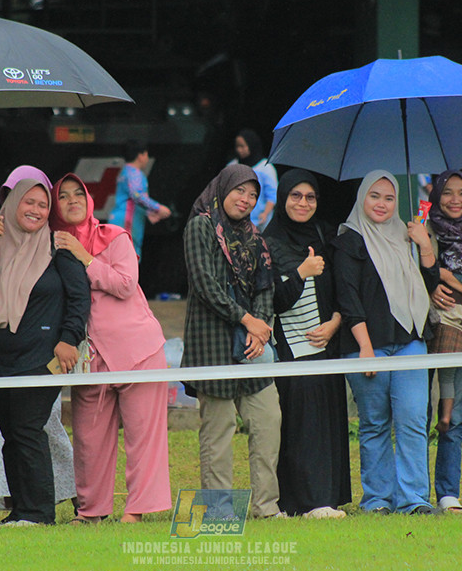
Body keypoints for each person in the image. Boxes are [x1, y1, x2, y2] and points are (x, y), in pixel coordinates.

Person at [51, 173, 172, 524]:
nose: (72, 200)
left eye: (78, 193)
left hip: (138, 350)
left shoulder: (114, 236)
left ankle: (137, 509)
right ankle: (91, 511)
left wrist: (85, 257)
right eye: (63, 196)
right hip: (89, 357)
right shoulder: (49, 246)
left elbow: (125, 284)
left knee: (143, 436)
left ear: (89, 200)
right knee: (88, 439)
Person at [0, 178, 90, 526]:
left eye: (43, 205)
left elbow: (80, 298)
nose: (36, 210)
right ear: (13, 203)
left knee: (28, 429)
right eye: (29, 202)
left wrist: (69, 338)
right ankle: (21, 509)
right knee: (11, 435)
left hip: (43, 358)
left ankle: (39, 513)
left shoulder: (57, 246)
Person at [333, 170, 437, 515]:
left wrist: (424, 244)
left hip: (410, 341)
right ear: (362, 197)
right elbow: (348, 297)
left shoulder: (406, 236)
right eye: (374, 196)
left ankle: (414, 500)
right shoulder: (349, 239)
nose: (382, 204)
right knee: (374, 423)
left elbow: (429, 284)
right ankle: (377, 499)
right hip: (368, 346)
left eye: (389, 198)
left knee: (412, 420)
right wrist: (364, 347)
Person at [182, 165, 282, 518]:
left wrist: (260, 328)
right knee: (218, 433)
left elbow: (266, 288)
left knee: (268, 422)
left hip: (251, 345)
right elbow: (205, 285)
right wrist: (248, 320)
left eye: (253, 195)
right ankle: (219, 512)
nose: (246, 199)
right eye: (240, 191)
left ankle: (266, 507)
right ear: (223, 189)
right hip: (212, 344)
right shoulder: (201, 227)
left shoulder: (256, 237)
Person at [262, 169, 350, 519]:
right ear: (283, 199)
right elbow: (272, 301)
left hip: (326, 343)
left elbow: (340, 287)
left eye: (310, 197)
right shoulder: (268, 244)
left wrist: (336, 322)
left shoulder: (322, 235)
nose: (303, 203)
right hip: (291, 351)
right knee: (300, 425)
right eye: (295, 196)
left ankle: (327, 497)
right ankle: (303, 501)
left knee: (328, 421)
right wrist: (301, 272)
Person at [415, 170, 462, 514]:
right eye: (447, 192)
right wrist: (430, 285)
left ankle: (447, 493)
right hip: (418, 329)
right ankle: (414, 494)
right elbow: (409, 273)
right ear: (436, 194)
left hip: (461, 329)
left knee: (453, 416)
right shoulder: (421, 232)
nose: (455, 199)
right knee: (418, 414)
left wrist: (443, 275)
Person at [108, 140, 172, 259]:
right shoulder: (134, 173)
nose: (147, 159)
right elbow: (137, 195)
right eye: (146, 155)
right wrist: (158, 208)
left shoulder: (125, 172)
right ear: (140, 155)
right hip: (127, 222)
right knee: (127, 259)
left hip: (124, 220)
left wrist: (150, 212)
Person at [227, 129, 278, 230]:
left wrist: (265, 213)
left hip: (259, 223)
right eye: (237, 146)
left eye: (242, 146)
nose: (239, 150)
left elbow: (272, 195)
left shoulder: (265, 167)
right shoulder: (232, 166)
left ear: (251, 146)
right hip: (236, 222)